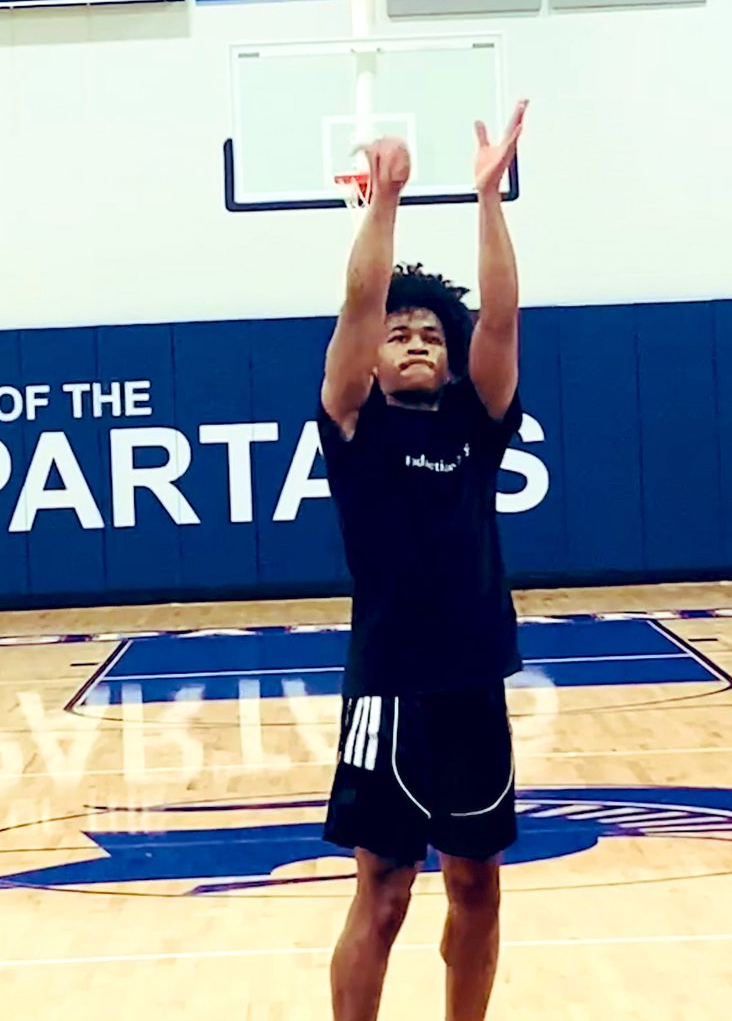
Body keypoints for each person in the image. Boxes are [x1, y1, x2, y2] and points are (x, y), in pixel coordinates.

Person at [318, 103, 528, 1021]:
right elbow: (359, 303)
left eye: (431, 335)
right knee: (385, 892)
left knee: (477, 887)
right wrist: (385, 201)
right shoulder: (353, 423)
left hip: (473, 684)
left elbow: (500, 321)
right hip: (390, 685)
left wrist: (487, 198)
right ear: (373, 357)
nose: (414, 340)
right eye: (399, 332)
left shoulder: (474, 424)